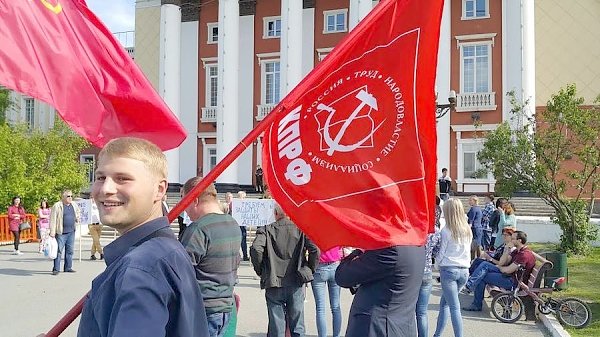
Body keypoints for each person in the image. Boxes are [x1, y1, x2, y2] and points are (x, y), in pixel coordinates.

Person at [78, 137, 209, 336]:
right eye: (101, 177)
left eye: (123, 179)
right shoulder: (167, 251)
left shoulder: (141, 268)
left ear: (159, 189)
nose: (106, 189)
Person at [179, 176, 242, 337]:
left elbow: (180, 273)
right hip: (225, 306)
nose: (184, 209)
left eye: (184, 202)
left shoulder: (198, 229)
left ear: (194, 200)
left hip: (202, 308)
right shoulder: (233, 224)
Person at [250, 203, 319, 337]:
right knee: (297, 326)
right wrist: (310, 269)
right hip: (296, 280)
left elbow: (255, 249)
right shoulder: (301, 230)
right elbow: (315, 249)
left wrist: (261, 270)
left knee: (277, 327)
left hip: (274, 280)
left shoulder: (266, 229)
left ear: (276, 214)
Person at [335, 245, 424, 337]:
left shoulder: (388, 250)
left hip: (377, 328)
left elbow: (342, 276)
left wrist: (360, 250)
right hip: (403, 326)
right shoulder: (418, 246)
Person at [462, 230, 535, 312]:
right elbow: (502, 262)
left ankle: (470, 289)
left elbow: (508, 270)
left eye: (513, 239)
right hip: (509, 276)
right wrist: (506, 250)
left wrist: (498, 267)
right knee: (484, 265)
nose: (511, 240)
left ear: (519, 240)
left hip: (513, 282)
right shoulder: (516, 251)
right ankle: (470, 288)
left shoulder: (524, 254)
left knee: (484, 271)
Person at [433, 198, 472, 337]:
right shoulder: (467, 229)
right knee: (445, 304)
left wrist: (436, 265)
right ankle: (437, 334)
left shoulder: (446, 230)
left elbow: (441, 252)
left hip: (449, 270)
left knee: (454, 308)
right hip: (464, 270)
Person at [311, 247, 342, 337]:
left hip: (319, 266)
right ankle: (337, 335)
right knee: (336, 307)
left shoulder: (316, 232)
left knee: (320, 308)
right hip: (335, 265)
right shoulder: (336, 232)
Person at [415, 226, 441, 337]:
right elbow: (437, 251)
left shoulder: (413, 227)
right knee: (422, 312)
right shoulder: (435, 230)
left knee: (407, 310)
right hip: (427, 271)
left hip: (413, 272)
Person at [49, 190, 81, 274]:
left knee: (70, 251)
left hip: (71, 231)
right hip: (61, 232)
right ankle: (56, 269)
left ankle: (68, 267)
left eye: (71, 196)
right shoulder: (57, 206)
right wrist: (52, 231)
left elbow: (78, 212)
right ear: (63, 197)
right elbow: (53, 219)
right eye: (68, 196)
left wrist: (77, 217)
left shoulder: (74, 204)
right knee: (58, 251)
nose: (70, 198)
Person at [238, 190, 249, 261]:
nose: (244, 198)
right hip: (237, 225)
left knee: (243, 241)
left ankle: (245, 255)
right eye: (243, 197)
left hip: (243, 224)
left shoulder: (246, 204)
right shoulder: (235, 204)